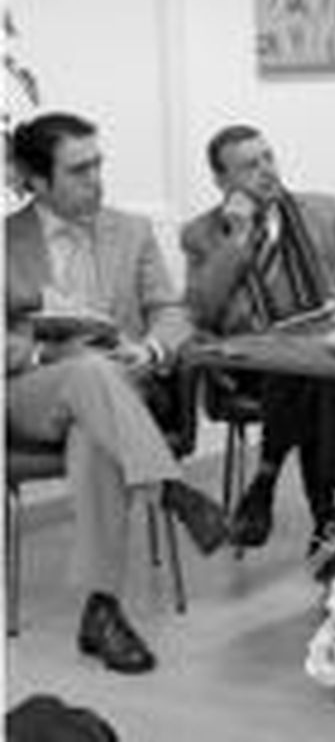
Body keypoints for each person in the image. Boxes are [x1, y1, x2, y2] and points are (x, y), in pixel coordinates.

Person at [6, 111, 231, 675]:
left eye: (98, 164)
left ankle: (101, 611)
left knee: (94, 428)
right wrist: (39, 353)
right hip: (32, 392)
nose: (96, 179)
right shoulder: (5, 242)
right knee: (84, 372)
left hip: (120, 389)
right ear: (37, 181)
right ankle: (174, 491)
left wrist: (151, 350)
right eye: (79, 170)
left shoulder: (131, 230)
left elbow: (171, 311)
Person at [181, 124, 335, 551]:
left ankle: (269, 473)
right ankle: (330, 517)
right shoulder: (202, 234)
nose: (267, 171)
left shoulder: (324, 211)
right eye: (250, 166)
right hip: (250, 366)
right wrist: (237, 240)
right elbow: (202, 310)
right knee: (312, 376)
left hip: (323, 352)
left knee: (317, 373)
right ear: (222, 181)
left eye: (268, 158)